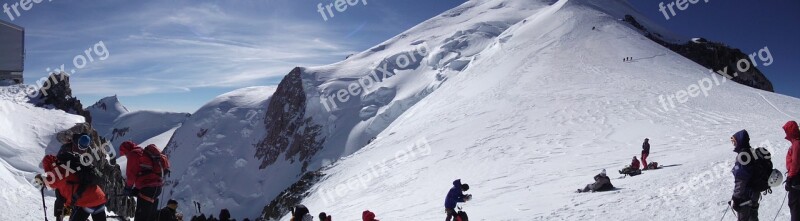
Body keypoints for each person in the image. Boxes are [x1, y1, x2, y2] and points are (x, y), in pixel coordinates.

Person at [42, 153, 108, 221]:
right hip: (99, 198)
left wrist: (42, 180)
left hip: (88, 203)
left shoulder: (60, 171)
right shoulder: (68, 166)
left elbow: (53, 182)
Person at [120, 141, 166, 221]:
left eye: (124, 154)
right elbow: (147, 173)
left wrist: (127, 188)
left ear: (126, 150)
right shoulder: (143, 153)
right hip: (157, 188)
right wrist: (137, 189)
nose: (125, 156)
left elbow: (131, 176)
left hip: (148, 190)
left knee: (141, 217)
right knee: (150, 217)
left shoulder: (133, 154)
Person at [730, 130, 760, 221]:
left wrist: (736, 197)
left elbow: (741, 179)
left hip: (745, 195)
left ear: (740, 141)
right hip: (755, 192)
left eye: (734, 141)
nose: (733, 144)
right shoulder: (752, 151)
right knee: (753, 217)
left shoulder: (743, 156)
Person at [784, 121, 800, 221]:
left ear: (791, 131)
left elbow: (795, 163)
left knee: (795, 206)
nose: (786, 134)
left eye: (786, 131)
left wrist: (790, 178)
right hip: (796, 178)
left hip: (796, 179)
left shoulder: (797, 143)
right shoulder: (796, 142)